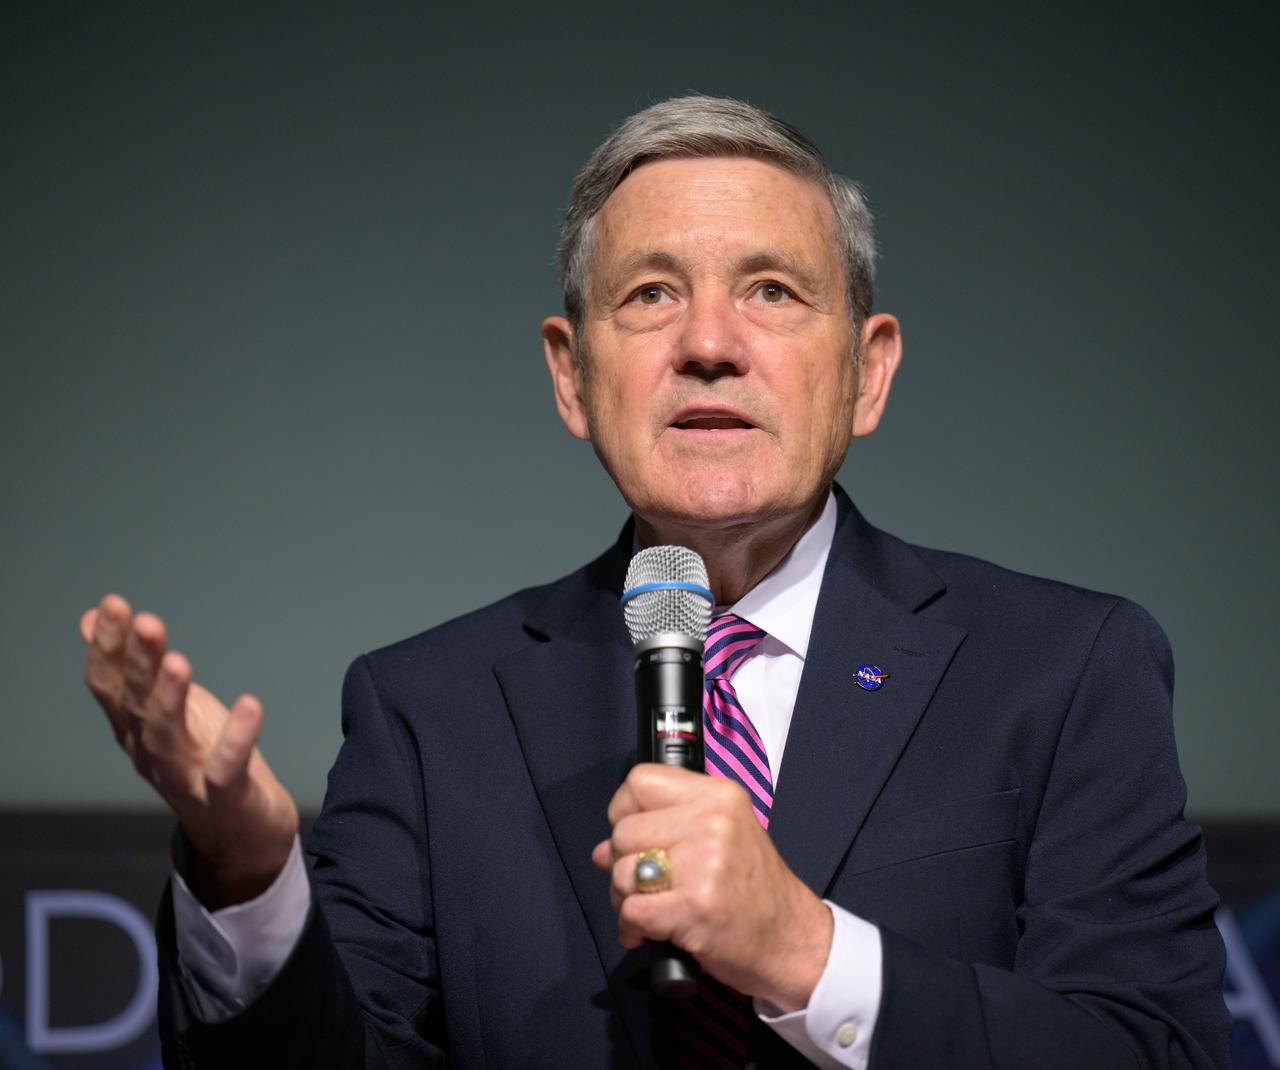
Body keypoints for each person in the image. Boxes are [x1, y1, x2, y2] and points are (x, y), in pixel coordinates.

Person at [81, 96, 1230, 1069]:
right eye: (649, 295)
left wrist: (808, 951)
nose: (708, 343)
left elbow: (1155, 1048)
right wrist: (250, 876)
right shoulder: (428, 712)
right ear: (571, 376)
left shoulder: (1060, 670)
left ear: (866, 372)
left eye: (771, 289)